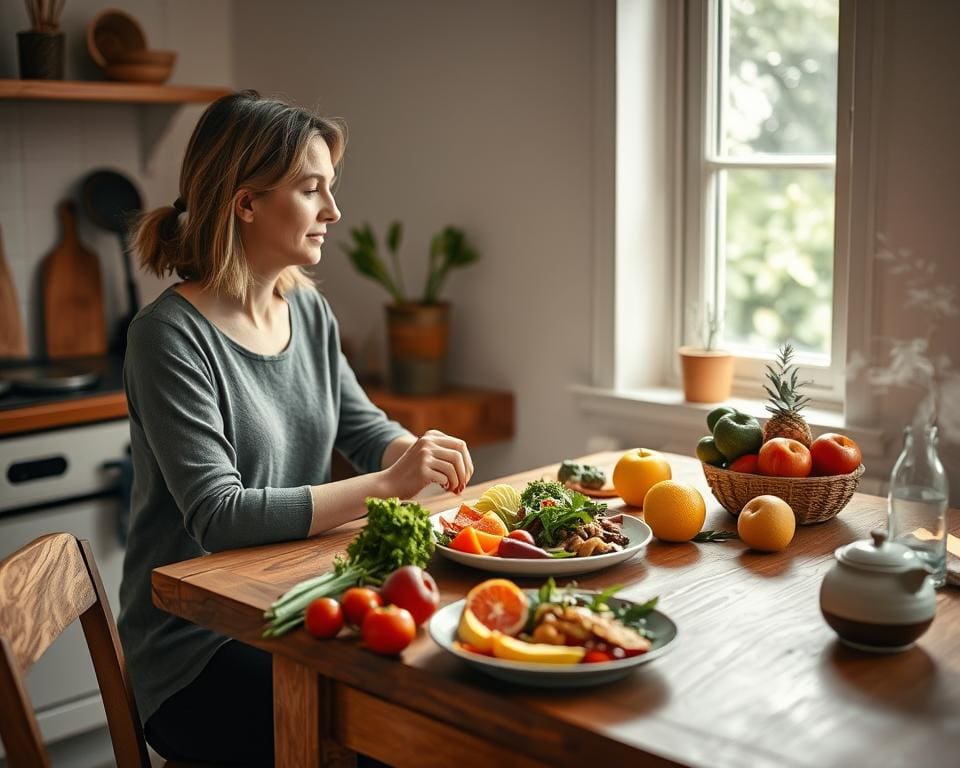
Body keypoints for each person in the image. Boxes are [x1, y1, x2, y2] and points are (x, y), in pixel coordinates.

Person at [117, 90, 473, 765]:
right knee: (385, 740)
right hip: (195, 650)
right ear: (245, 202)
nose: (333, 212)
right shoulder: (166, 338)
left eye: (329, 189)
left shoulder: (306, 309)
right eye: (312, 190)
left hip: (289, 610)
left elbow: (363, 427)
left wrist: (414, 453)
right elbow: (218, 515)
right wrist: (390, 487)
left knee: (434, 706)